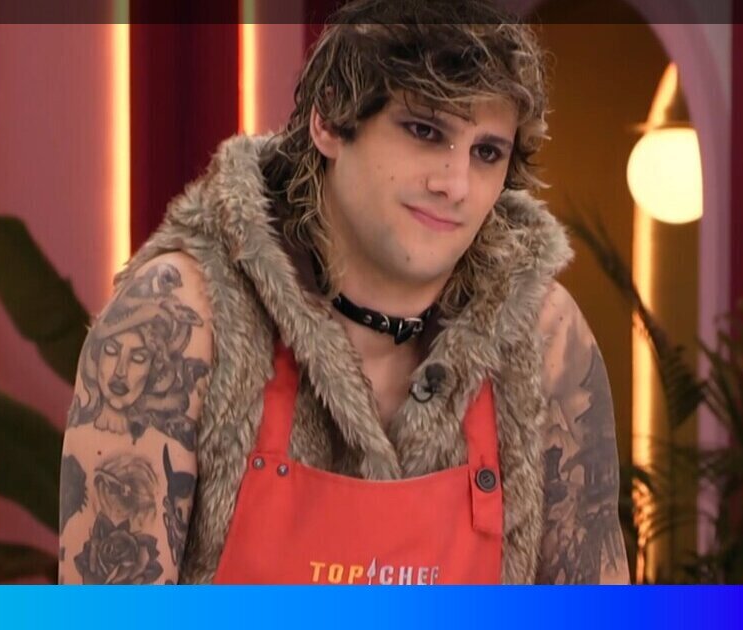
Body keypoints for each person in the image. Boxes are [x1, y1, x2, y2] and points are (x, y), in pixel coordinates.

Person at [58, 0, 629, 585]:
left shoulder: (542, 336)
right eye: (425, 131)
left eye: (486, 152)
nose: (455, 184)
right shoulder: (177, 317)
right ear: (329, 121)